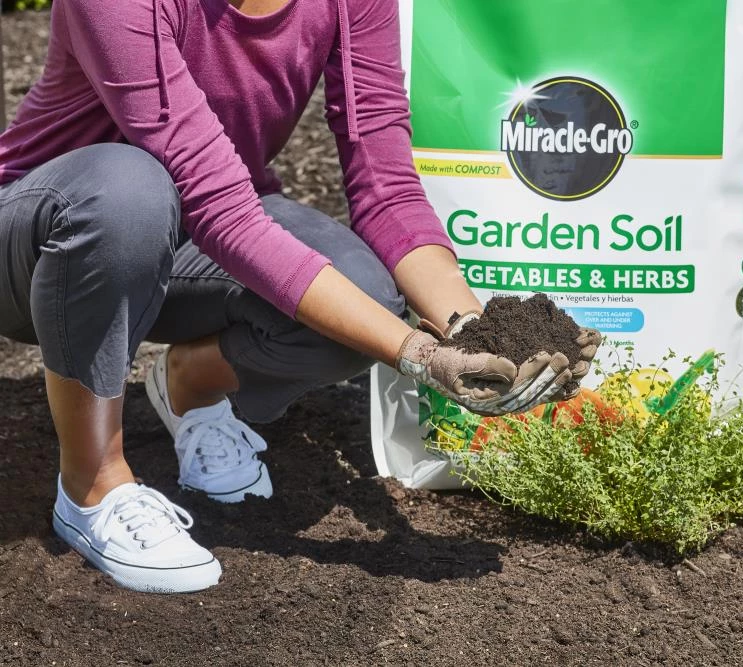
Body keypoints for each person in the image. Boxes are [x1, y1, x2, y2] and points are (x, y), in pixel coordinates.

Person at [0, 0, 600, 593]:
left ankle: (191, 384)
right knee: (129, 190)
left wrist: (471, 330)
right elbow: (219, 208)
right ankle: (92, 485)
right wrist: (419, 355)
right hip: (49, 247)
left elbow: (385, 186)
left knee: (365, 301)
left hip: (195, 231)